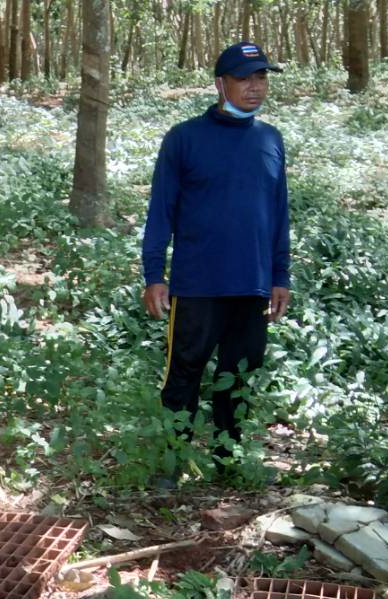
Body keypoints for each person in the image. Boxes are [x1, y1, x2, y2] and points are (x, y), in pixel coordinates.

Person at [140, 41, 292, 479]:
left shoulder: (270, 139)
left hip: (253, 284)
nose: (255, 87)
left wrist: (280, 275)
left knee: (239, 376)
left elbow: (279, 212)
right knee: (183, 375)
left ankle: (227, 460)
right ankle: (171, 462)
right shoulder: (185, 138)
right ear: (220, 83)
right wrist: (155, 274)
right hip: (197, 284)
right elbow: (161, 210)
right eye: (244, 78)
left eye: (261, 77)